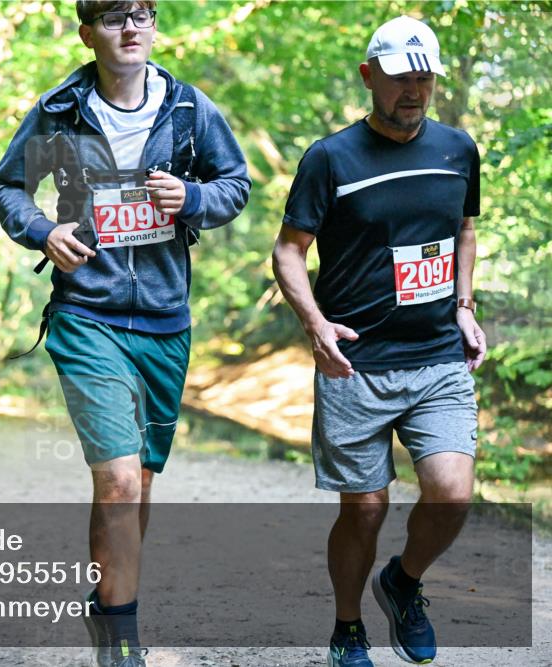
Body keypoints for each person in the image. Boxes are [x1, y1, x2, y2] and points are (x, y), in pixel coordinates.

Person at [0, 2, 250, 665]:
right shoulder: (59, 111)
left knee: (142, 482)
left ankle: (109, 599)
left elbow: (235, 184)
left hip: (166, 319)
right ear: (88, 34)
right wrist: (43, 230)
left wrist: (192, 200)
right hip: (87, 313)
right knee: (120, 481)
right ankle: (121, 637)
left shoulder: (189, 110)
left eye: (140, 14)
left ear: (153, 26)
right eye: (111, 17)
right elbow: (8, 186)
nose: (129, 28)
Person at [272, 16, 485, 667]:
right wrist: (315, 324)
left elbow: (466, 230)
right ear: (370, 78)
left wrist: (464, 303)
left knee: (452, 492)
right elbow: (287, 252)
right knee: (364, 509)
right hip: (355, 364)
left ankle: (404, 581)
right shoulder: (331, 158)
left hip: (437, 355)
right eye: (399, 79)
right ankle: (347, 628)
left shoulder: (458, 150)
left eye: (423, 78)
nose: (413, 91)